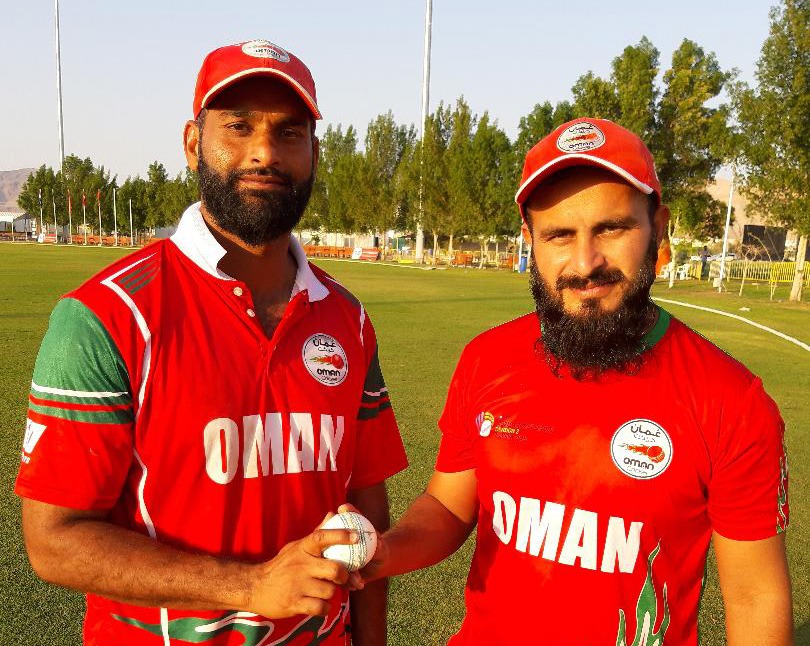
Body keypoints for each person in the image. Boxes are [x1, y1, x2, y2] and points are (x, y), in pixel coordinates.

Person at [16, 40, 407, 646]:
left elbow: (366, 505)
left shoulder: (348, 320)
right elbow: (54, 539)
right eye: (239, 127)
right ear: (194, 141)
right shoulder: (106, 315)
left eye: (289, 133)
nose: (264, 153)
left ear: (314, 152)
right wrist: (250, 587)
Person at [356, 118, 792, 644]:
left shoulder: (731, 400)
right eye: (559, 235)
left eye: (612, 228)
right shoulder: (486, 358)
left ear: (660, 229)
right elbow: (449, 506)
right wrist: (386, 550)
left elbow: (754, 598)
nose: (585, 263)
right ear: (529, 243)